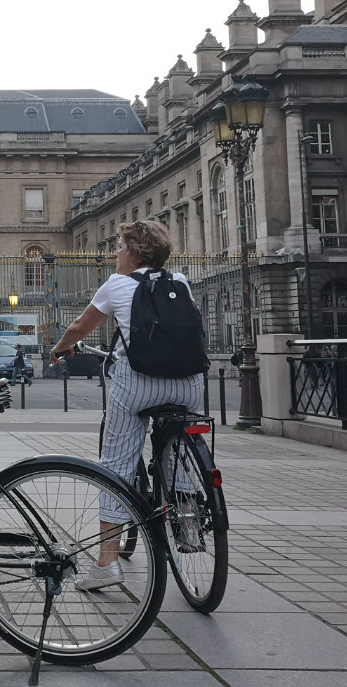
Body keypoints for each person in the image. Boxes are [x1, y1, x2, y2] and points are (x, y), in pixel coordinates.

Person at [49, 219, 204, 591]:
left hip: (139, 384)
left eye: (119, 247)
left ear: (134, 251)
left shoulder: (117, 284)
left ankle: (107, 562)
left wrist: (58, 348)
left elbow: (79, 329)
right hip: (189, 386)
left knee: (115, 464)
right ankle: (189, 528)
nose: (116, 253)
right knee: (177, 452)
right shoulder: (180, 282)